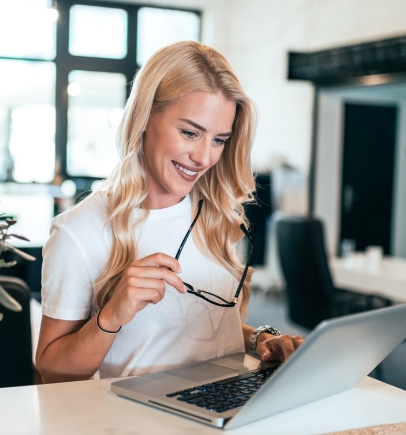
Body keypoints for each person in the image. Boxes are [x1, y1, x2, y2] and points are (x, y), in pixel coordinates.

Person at [36, 41, 303, 384]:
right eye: (190, 133)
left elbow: (201, 326)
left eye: (219, 139)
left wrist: (259, 340)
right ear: (145, 117)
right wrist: (112, 314)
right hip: (139, 427)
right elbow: (51, 368)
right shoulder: (79, 232)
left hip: (223, 412)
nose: (204, 158)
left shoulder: (214, 214)